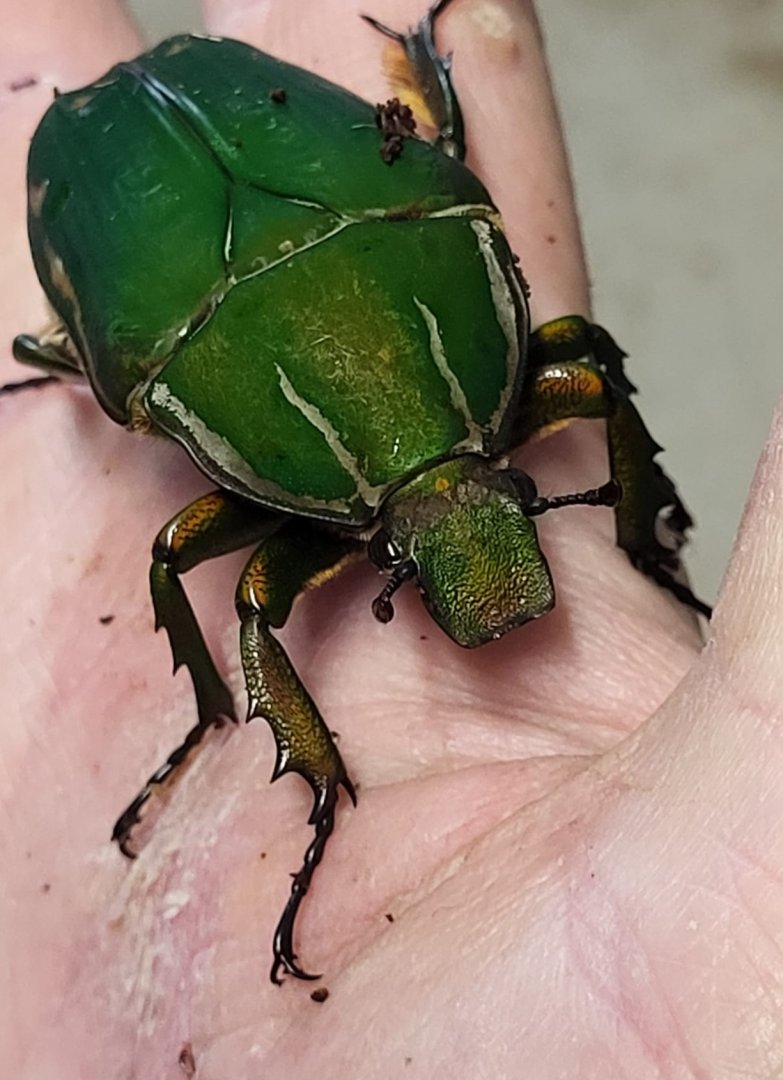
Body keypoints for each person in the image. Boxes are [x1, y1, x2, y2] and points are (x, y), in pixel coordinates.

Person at [2, 1, 780, 1075]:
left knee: (577, 365)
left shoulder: (487, 316)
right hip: (160, 180)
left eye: (520, 491)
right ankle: (272, 757)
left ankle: (643, 541)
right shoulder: (294, 436)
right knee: (206, 565)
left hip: (244, 191)